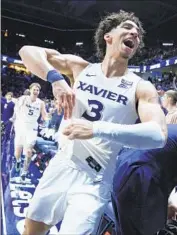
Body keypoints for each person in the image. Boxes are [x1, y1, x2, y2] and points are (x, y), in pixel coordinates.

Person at [19, 10, 167, 235]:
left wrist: (97, 129)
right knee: (32, 230)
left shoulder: (140, 87)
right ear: (108, 36)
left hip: (94, 180)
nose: (135, 33)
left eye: (137, 34)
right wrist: (55, 79)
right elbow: (27, 51)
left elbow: (158, 136)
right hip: (62, 163)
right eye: (128, 28)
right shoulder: (80, 68)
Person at [11, 83, 48, 180]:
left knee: (28, 152)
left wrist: (49, 118)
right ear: (30, 90)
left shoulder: (41, 103)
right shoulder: (23, 98)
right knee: (17, 152)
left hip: (32, 128)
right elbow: (16, 109)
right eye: (34, 89)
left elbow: (45, 116)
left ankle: (24, 171)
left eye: (37, 90)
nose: (36, 91)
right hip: (21, 126)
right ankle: (18, 161)